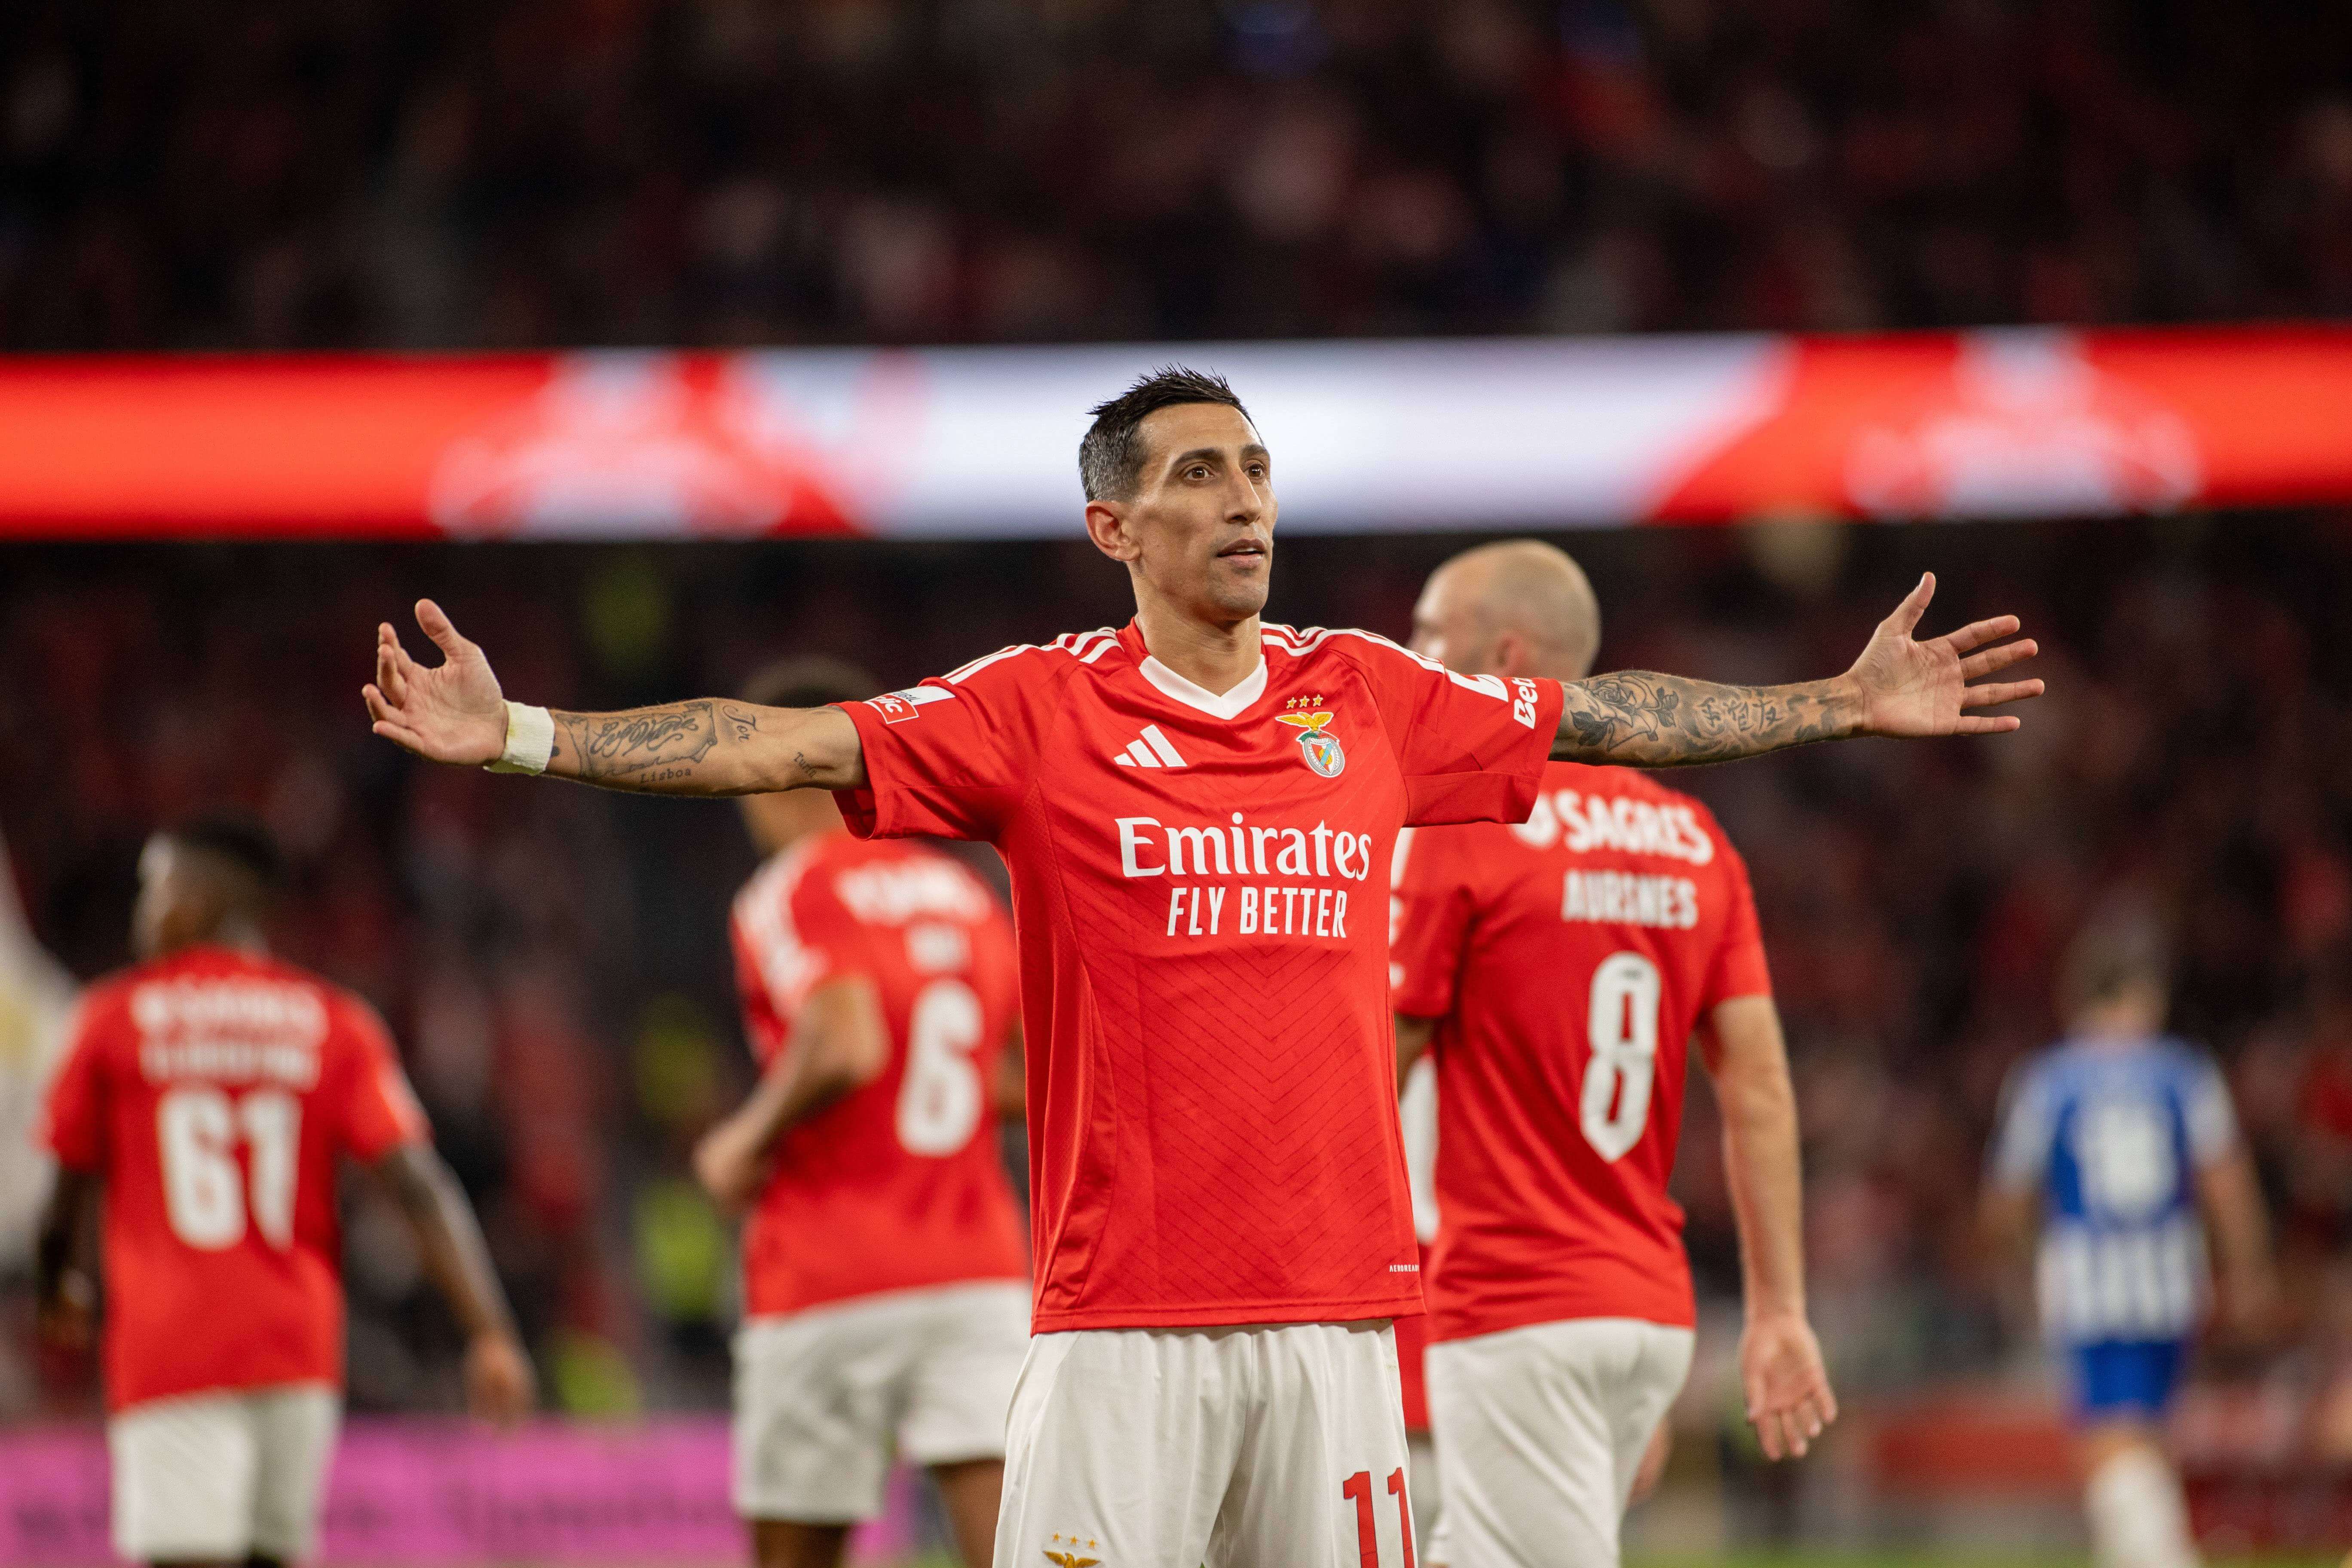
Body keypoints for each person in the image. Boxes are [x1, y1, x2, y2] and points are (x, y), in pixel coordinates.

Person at [363, 367, 2040, 1566]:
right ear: (1112, 524)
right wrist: (519, 732)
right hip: (1124, 1327)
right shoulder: (1031, 708)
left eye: (1255, 470)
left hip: (1339, 1325)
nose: (1244, 501)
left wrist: (1839, 700)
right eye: (1196, 476)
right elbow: (771, 743)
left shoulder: (1367, 692)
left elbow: (1605, 716)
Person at [1388, 540, 1836, 1567]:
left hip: (1509, 1299)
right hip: (1646, 1315)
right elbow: (1760, 1088)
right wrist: (1777, 1312)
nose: (1409, 659)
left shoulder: (1466, 824)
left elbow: (1380, 1062)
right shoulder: (1697, 843)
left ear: (1503, 659)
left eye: (1427, 634)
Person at [32, 818, 533, 1568]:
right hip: (297, 1358)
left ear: (193, 900)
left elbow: (66, 1188)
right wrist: (489, 1330)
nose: (143, 910)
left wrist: (57, 1284)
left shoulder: (112, 1019)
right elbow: (419, 1187)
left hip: (174, 1352)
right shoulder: (334, 1022)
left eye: (153, 888)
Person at [692, 658, 1027, 1568]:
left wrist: (742, 1140)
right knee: (1013, 1547)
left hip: (828, 1275)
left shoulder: (790, 889)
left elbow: (847, 1043)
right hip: (978, 1270)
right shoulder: (964, 895)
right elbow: (1023, 1078)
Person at [1982, 923, 2275, 1568]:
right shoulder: (2183, 1073)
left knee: (2107, 1430)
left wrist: (2013, 1268)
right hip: (2168, 1272)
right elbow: (2226, 1180)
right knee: (2150, 1426)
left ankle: (2156, 1556)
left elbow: (2007, 1196)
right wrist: (2249, 1269)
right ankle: (2148, 1550)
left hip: (2088, 1275)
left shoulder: (2048, 1080)